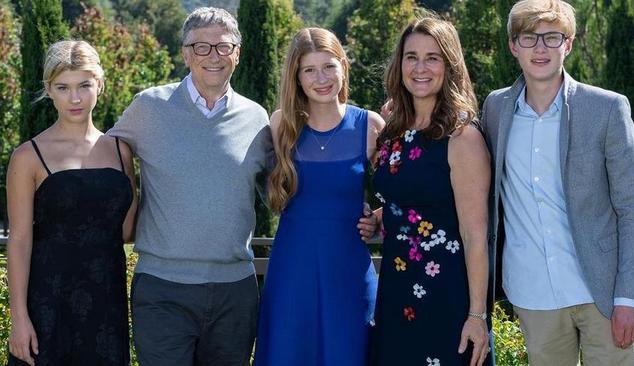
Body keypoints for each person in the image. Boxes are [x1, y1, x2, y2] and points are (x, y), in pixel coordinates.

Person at [482, 1, 634, 364]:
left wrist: (630, 297)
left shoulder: (607, 108)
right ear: (513, 45)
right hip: (532, 294)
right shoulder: (495, 109)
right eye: (529, 37)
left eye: (552, 37)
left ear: (568, 44)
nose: (540, 48)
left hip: (602, 293)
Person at [106, 7, 270, 366]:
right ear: (184, 53)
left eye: (223, 47)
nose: (213, 56)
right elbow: (101, 154)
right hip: (162, 289)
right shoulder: (149, 107)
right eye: (201, 47)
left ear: (238, 53)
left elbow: (283, 191)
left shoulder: (257, 119)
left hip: (235, 292)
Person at [253, 27, 384, 366]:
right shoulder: (281, 124)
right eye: (309, 70)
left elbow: (403, 194)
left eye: (328, 66)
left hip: (348, 274)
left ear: (343, 65)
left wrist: (377, 218)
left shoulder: (370, 126)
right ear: (296, 78)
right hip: (291, 272)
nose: (321, 78)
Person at [369, 15, 491, 366]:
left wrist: (477, 316)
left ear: (449, 65)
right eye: (411, 57)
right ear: (400, 64)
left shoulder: (461, 137)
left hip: (445, 297)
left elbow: (475, 233)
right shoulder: (393, 130)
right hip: (394, 290)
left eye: (432, 58)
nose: (420, 68)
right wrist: (380, 217)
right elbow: (413, 197)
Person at [7, 40, 138, 366]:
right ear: (49, 90)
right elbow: (20, 241)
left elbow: (124, 231)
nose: (75, 98)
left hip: (107, 303)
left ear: (100, 85)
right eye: (63, 87)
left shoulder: (122, 153)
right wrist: (19, 318)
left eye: (84, 85)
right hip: (47, 305)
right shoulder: (27, 157)